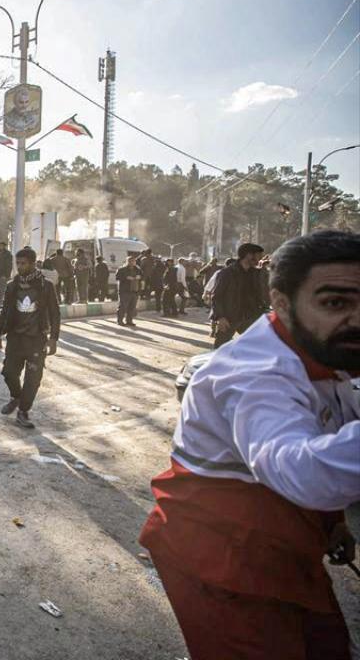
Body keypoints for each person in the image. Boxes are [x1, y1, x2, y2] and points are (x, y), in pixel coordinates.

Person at [138, 230, 360, 660]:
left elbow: (322, 434)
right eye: (335, 303)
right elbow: (298, 467)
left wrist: (332, 522)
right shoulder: (255, 375)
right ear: (280, 301)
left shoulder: (321, 353)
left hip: (285, 543)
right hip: (224, 563)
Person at [0, 247, 61, 429]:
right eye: (18, 263)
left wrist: (54, 338)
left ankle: (23, 411)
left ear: (32, 263)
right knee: (8, 372)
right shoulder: (12, 286)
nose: (20, 267)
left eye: (24, 263)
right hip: (15, 338)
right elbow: (5, 312)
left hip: (36, 340)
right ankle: (16, 396)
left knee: (33, 378)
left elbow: (55, 313)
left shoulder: (46, 286)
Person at [210, 242, 269, 348]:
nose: (260, 259)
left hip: (250, 317)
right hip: (229, 317)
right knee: (220, 349)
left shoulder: (255, 274)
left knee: (258, 347)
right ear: (249, 255)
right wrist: (220, 317)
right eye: (258, 255)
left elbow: (260, 295)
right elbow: (217, 297)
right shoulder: (227, 273)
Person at [115, 255, 143, 327]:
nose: (132, 262)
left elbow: (142, 276)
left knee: (132, 307)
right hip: (125, 291)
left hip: (135, 290)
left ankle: (129, 320)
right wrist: (126, 277)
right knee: (123, 306)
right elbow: (117, 277)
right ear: (127, 261)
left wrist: (139, 277)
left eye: (133, 261)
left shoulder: (137, 269)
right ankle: (120, 320)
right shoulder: (122, 269)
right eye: (130, 261)